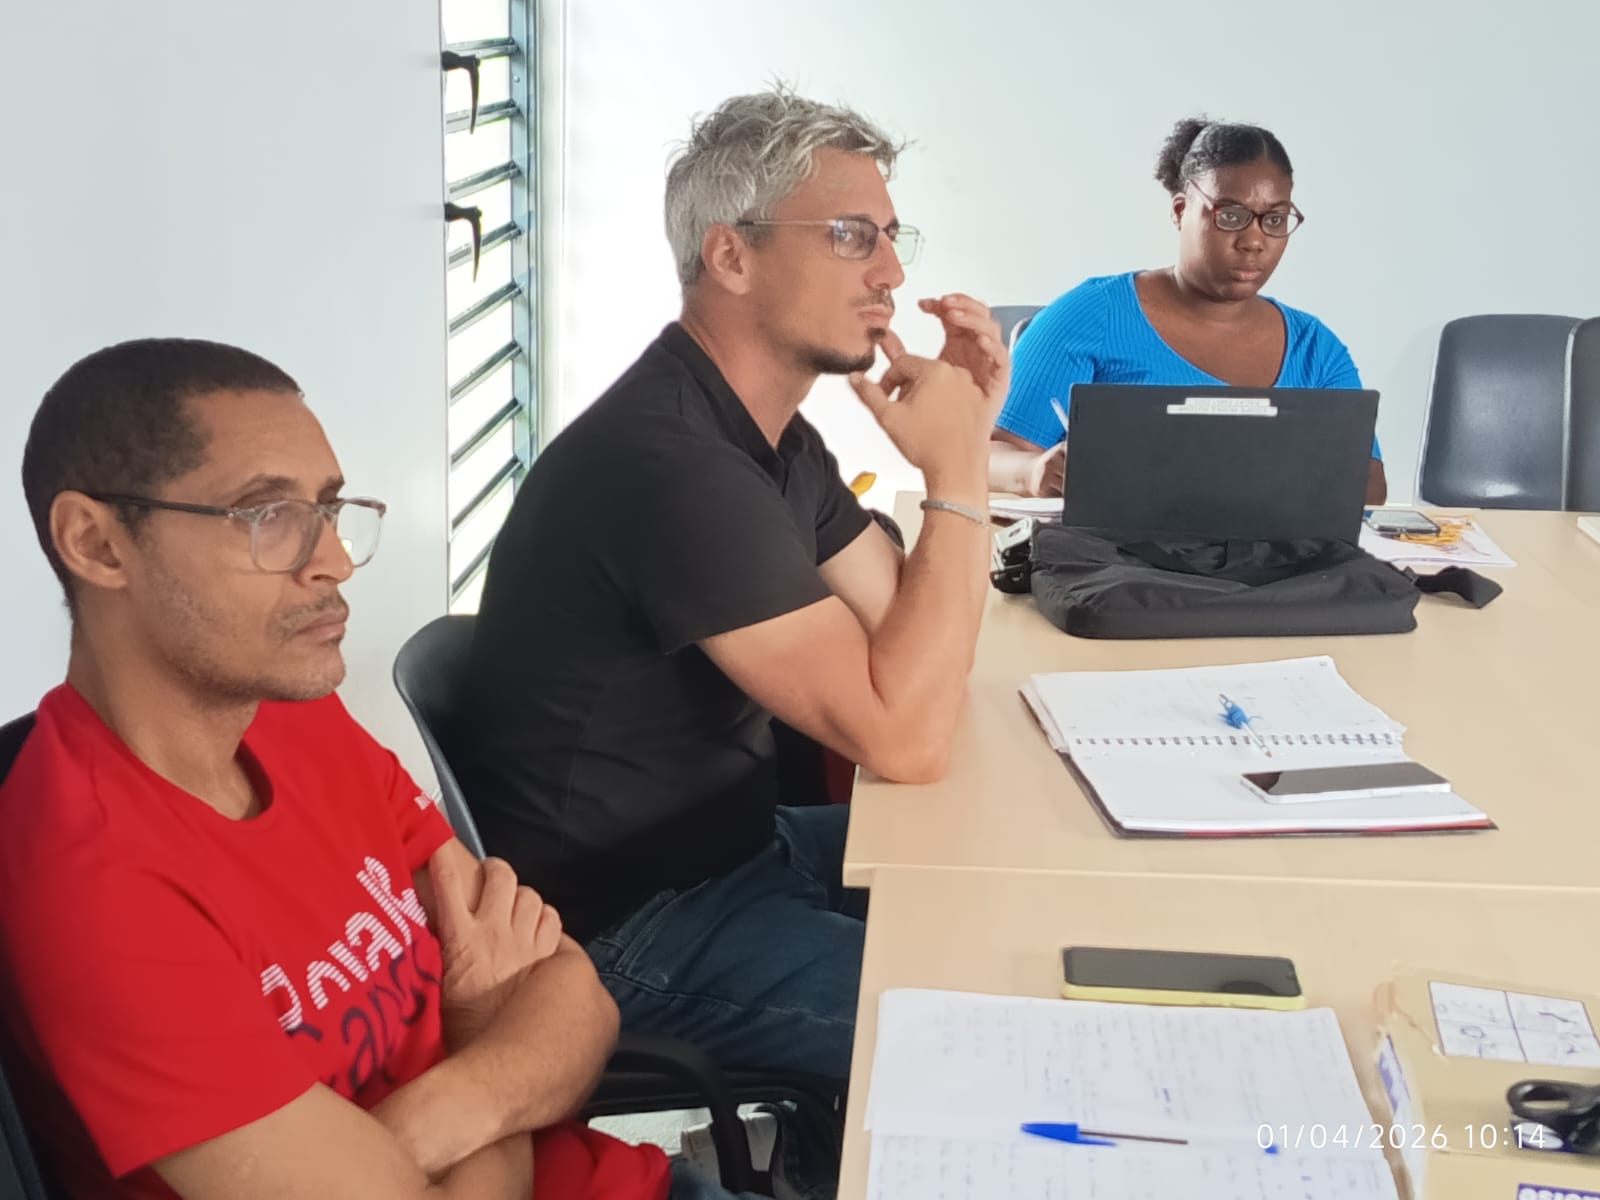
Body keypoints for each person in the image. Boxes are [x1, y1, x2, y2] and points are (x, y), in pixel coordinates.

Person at [0, 338, 756, 1200]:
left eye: (328, 509)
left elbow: (572, 991)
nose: (333, 560)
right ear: (98, 545)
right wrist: (492, 1044)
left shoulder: (295, 716)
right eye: (267, 515)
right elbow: (529, 1018)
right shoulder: (93, 887)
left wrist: (456, 1103)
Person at [456, 86, 1005, 1108]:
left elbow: (921, 640)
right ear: (731, 256)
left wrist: (967, 431)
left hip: (742, 848)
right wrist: (959, 472)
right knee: (992, 1025)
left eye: (892, 237)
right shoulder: (672, 467)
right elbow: (907, 736)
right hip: (632, 929)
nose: (891, 273)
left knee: (1020, 882)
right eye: (851, 236)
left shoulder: (771, 439)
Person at [989, 117, 1387, 505]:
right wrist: (1033, 471)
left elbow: (1368, 486)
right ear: (1181, 211)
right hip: (1123, 546)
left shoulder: (1315, 347)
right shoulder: (1091, 314)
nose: (1254, 241)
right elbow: (988, 455)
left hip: (1277, 549)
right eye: (1230, 216)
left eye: (1275, 219)